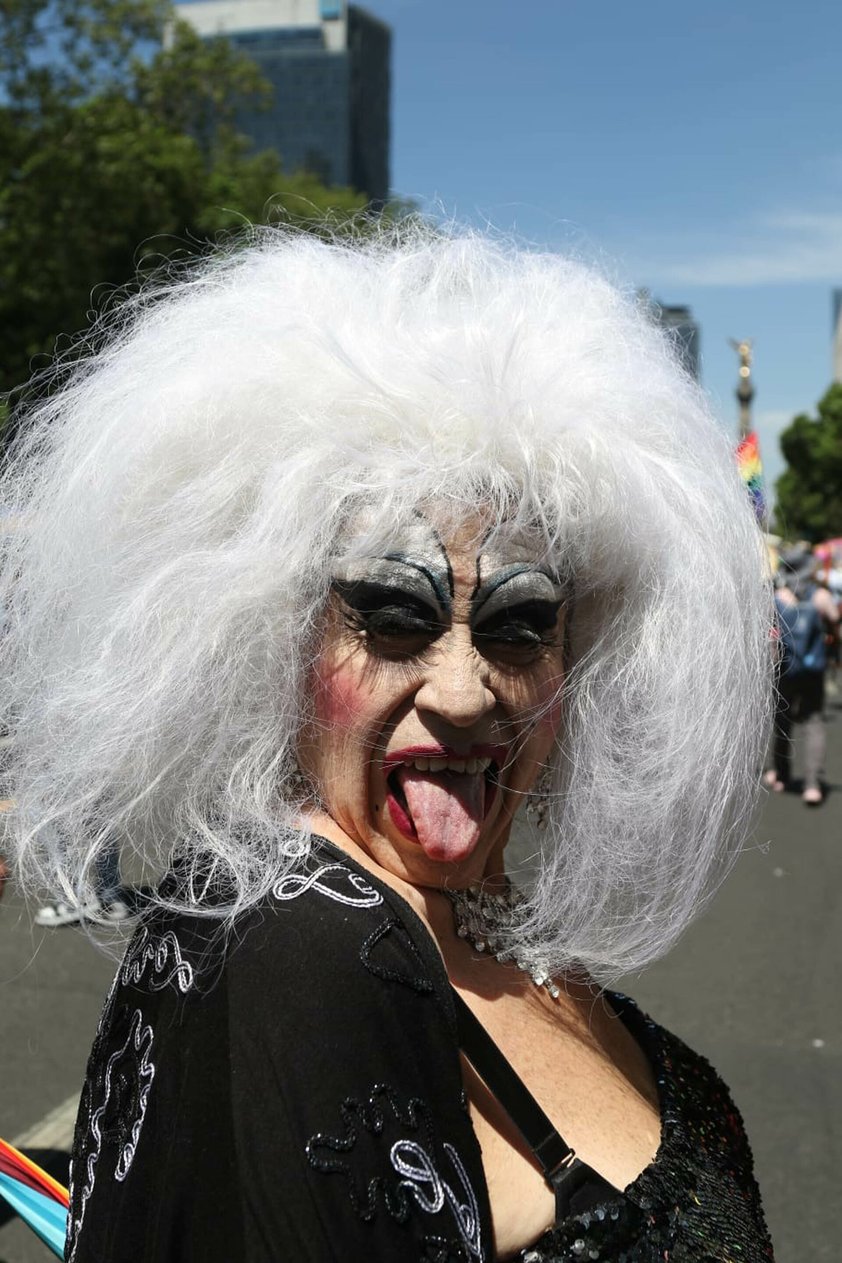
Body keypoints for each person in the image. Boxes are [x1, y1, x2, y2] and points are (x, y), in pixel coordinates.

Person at [1, 227, 775, 1262]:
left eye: (517, 624)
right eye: (389, 615)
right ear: (264, 638)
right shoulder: (304, 949)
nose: (462, 693)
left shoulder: (469, 912)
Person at [765, 547, 840, 805]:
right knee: (813, 722)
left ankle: (781, 774)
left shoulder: (778, 596)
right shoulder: (819, 596)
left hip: (785, 669)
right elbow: (834, 620)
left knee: (782, 722)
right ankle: (812, 785)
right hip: (813, 670)